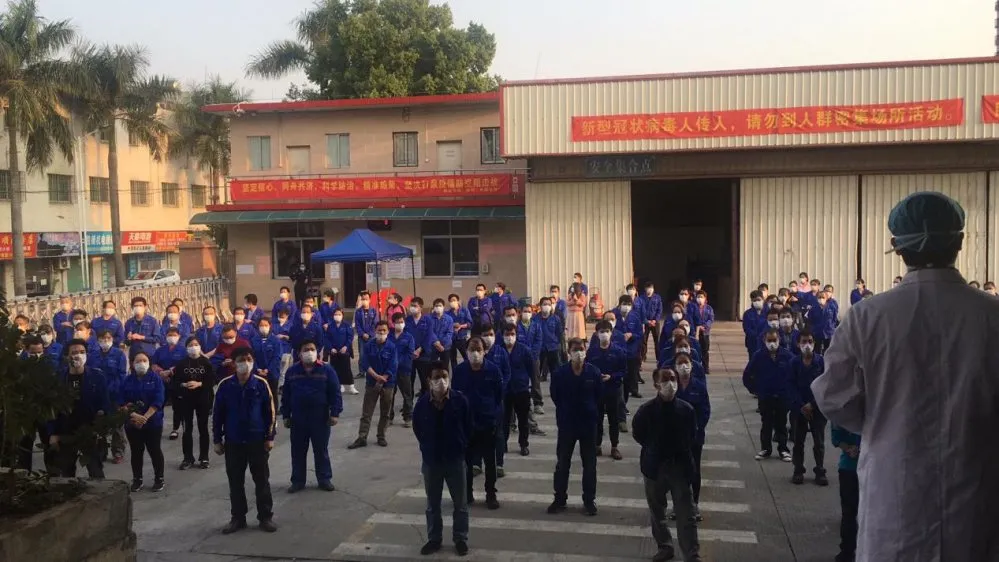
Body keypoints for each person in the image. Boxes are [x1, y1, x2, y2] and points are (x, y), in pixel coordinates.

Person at [811, 191, 999, 562]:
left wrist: (883, 420)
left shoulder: (868, 316)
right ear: (960, 242)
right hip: (977, 489)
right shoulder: (990, 316)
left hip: (895, 492)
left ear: (897, 248)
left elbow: (833, 396)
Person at [633, 368, 702, 562]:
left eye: (673, 379)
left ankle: (691, 553)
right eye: (665, 380)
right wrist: (653, 449)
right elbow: (638, 434)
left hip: (679, 466)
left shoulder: (686, 410)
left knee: (686, 513)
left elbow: (692, 435)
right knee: (657, 511)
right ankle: (665, 546)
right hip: (655, 467)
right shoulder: (646, 411)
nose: (670, 383)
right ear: (656, 385)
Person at [213, 347, 277, 534]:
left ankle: (265, 517)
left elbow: (270, 412)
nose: (245, 363)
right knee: (235, 482)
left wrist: (270, 437)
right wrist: (217, 439)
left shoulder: (261, 384)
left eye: (249, 359)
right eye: (241, 360)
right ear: (234, 363)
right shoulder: (225, 385)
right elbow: (217, 414)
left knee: (261, 480)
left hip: (257, 440)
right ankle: (238, 518)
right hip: (233, 441)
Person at [412, 364, 471, 557]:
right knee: (433, 504)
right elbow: (417, 428)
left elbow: (468, 426)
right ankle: (434, 539)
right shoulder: (422, 404)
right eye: (437, 377)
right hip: (432, 461)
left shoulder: (460, 401)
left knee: (460, 504)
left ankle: (460, 538)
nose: (441, 381)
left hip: (455, 460)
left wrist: (461, 446)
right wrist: (427, 447)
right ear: (429, 380)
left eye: (444, 376)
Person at [547, 338, 601, 516]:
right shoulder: (560, 373)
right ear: (569, 352)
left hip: (588, 424)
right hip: (567, 424)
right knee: (563, 463)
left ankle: (589, 500)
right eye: (575, 350)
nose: (578, 353)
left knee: (589, 464)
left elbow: (599, 396)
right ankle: (560, 498)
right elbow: (555, 395)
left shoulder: (593, 372)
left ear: (586, 351)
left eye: (581, 349)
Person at [281, 340, 341, 492]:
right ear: (300, 353)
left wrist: (335, 413)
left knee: (321, 449)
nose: (309, 352)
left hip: (320, 417)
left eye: (312, 349)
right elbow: (286, 395)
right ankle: (298, 481)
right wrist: (286, 415)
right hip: (298, 417)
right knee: (298, 451)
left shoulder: (326, 370)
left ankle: (324, 479)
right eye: (306, 349)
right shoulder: (292, 371)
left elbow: (335, 393)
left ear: (317, 351)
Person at [451, 336, 503, 509]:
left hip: (487, 423)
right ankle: (467, 493)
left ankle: (491, 494)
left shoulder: (493, 370)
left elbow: (499, 396)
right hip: (466, 424)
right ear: (466, 352)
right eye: (472, 350)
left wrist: (494, 417)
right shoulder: (460, 371)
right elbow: (455, 396)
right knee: (466, 462)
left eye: (478, 350)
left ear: (484, 351)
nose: (475, 354)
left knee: (489, 461)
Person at [49, 339, 112, 478]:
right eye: (74, 352)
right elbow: (52, 408)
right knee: (66, 473)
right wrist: (53, 433)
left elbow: (105, 404)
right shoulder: (58, 378)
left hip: (90, 432)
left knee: (96, 472)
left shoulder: (97, 377)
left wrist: (101, 427)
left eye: (82, 352)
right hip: (66, 432)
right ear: (67, 356)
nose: (78, 355)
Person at [784, 330, 827, 486]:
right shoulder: (794, 363)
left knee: (819, 442)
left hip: (818, 408)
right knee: (798, 441)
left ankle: (820, 470)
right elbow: (790, 385)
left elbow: (825, 386)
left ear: (814, 343)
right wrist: (801, 405)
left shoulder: (821, 362)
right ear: (798, 344)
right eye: (804, 341)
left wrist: (812, 404)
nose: (807, 345)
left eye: (810, 341)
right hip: (799, 409)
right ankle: (798, 470)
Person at [744, 329, 793, 462]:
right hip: (766, 397)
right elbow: (747, 375)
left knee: (781, 423)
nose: (772, 343)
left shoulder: (787, 356)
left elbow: (794, 375)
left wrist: (789, 392)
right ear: (764, 341)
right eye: (769, 340)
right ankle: (766, 448)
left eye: (774, 340)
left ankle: (783, 449)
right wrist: (755, 390)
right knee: (766, 423)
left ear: (779, 340)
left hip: (782, 397)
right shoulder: (758, 356)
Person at [120, 352, 166, 492]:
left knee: (154, 450)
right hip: (132, 422)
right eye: (138, 361)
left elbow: (158, 400)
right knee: (136, 451)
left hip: (152, 422)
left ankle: (159, 478)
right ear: (133, 364)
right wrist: (134, 416)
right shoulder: (127, 380)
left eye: (144, 360)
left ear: (149, 363)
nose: (141, 363)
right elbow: (121, 401)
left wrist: (144, 418)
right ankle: (137, 479)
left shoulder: (156, 379)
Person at [350, 321, 397, 449]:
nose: (381, 332)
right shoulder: (369, 345)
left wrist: (383, 378)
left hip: (387, 383)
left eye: (384, 330)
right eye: (379, 330)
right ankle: (362, 437)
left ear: (388, 332)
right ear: (375, 331)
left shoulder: (392, 347)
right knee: (367, 412)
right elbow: (365, 363)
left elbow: (393, 365)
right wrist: (376, 376)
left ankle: (381, 436)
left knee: (385, 412)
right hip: (372, 382)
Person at [675, 360, 710, 522]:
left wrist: (696, 428)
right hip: (676, 437)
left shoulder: (699, 387)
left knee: (694, 471)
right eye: (680, 364)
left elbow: (705, 411)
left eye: (686, 363)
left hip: (694, 437)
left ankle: (694, 504)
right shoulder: (672, 386)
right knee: (677, 472)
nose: (684, 367)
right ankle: (678, 505)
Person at [585, 320, 626, 460]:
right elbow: (587, 369)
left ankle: (614, 447)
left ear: (611, 333)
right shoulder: (592, 352)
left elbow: (623, 371)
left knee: (614, 420)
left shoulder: (618, 352)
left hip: (612, 389)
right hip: (597, 390)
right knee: (597, 418)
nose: (604, 334)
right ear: (597, 334)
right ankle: (597, 445)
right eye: (601, 332)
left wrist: (612, 376)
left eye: (607, 332)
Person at [173, 337, 215, 470]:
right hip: (186, 400)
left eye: (196, 344)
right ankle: (188, 458)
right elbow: (175, 382)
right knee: (187, 430)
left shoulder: (206, 363)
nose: (194, 347)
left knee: (203, 429)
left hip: (203, 399)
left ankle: (204, 457)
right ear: (186, 348)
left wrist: (200, 383)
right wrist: (184, 384)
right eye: (191, 345)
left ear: (200, 346)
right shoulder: (181, 364)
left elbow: (212, 380)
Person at [94, 329, 128, 464]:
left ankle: (118, 451)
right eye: (102, 339)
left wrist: (111, 389)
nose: (105, 341)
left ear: (112, 340)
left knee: (117, 424)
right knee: (100, 424)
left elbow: (122, 375)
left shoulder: (119, 354)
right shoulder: (93, 355)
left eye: (108, 338)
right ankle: (101, 451)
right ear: (98, 341)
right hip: (98, 395)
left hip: (115, 394)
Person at [501, 324, 533, 457]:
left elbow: (531, 369)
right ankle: (502, 443)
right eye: (507, 334)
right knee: (504, 419)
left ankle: (524, 444)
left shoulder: (524, 350)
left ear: (516, 335)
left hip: (521, 390)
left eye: (512, 334)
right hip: (505, 391)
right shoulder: (499, 350)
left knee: (523, 420)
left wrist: (530, 386)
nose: (509, 337)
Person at [831, 424, 861, 562]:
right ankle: (848, 551)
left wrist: (848, 448)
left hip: (852, 467)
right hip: (852, 468)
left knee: (849, 512)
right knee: (851, 513)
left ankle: (847, 552)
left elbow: (836, 437)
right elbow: (836, 438)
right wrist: (849, 448)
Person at [387, 312, 416, 427]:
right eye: (397, 322)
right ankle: (389, 417)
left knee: (407, 394)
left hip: (404, 370)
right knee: (389, 395)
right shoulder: (388, 336)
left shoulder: (409, 337)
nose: (400, 324)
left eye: (402, 322)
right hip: (390, 371)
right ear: (393, 323)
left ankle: (408, 417)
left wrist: (397, 362)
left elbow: (410, 353)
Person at [614, 295, 643, 400]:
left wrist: (632, 335)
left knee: (632, 372)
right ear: (619, 304)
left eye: (629, 304)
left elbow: (640, 333)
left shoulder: (635, 317)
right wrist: (620, 336)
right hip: (617, 350)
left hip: (631, 350)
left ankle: (633, 390)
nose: (626, 306)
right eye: (624, 304)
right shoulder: (613, 315)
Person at [517, 305, 544, 416]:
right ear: (520, 312)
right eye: (525, 311)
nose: (527, 313)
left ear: (532, 313)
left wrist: (532, 355)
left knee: (535, 380)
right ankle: (523, 404)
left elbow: (538, 341)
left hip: (534, 358)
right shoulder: (516, 326)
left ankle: (538, 403)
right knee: (521, 380)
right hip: (520, 358)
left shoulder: (536, 326)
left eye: (529, 311)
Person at [325, 307, 356, 395]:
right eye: (336, 314)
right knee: (335, 369)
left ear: (342, 315)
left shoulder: (346, 325)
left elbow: (350, 337)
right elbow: (327, 338)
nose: (337, 316)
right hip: (334, 352)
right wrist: (331, 348)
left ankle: (351, 386)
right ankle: (340, 385)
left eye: (339, 314)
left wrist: (346, 346)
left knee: (346, 369)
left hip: (344, 351)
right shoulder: (330, 326)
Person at [251, 318, 282, 402]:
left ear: (270, 326)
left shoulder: (276, 340)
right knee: (258, 396)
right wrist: (257, 369)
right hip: (257, 373)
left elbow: (277, 357)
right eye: (261, 325)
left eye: (266, 325)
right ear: (258, 327)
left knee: (272, 395)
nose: (263, 327)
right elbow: (251, 357)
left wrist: (268, 370)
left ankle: (273, 410)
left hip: (272, 373)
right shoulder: (253, 340)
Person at [534, 296, 563, 382]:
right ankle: (536, 389)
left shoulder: (556, 319)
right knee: (536, 372)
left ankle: (555, 388)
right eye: (545, 304)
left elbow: (559, 333)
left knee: (555, 372)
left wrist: (556, 343)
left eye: (549, 304)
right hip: (539, 348)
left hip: (552, 348)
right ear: (540, 306)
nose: (547, 306)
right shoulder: (535, 319)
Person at [354, 291, 378, 378]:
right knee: (362, 355)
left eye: (366, 299)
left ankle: (372, 372)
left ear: (369, 300)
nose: (364, 301)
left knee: (372, 354)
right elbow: (357, 324)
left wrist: (369, 334)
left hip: (372, 336)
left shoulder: (373, 310)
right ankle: (361, 372)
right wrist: (362, 334)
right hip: (361, 337)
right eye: (363, 299)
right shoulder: (358, 312)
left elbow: (375, 323)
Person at [446, 294, 472, 371]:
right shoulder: (447, 313)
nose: (452, 302)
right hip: (451, 339)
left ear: (458, 301)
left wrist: (461, 326)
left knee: (466, 357)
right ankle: (455, 374)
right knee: (453, 359)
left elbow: (470, 323)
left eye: (454, 300)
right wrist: (453, 325)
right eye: (451, 301)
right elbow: (446, 325)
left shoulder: (464, 310)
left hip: (462, 338)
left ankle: (468, 371)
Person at [742, 290, 767, 360]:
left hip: (765, 341)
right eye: (754, 300)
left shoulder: (768, 312)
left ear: (763, 299)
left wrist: (763, 335)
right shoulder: (747, 314)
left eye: (759, 300)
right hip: (752, 343)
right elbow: (746, 328)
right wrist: (756, 336)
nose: (757, 302)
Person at [693, 290, 714, 372]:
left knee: (705, 350)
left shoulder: (709, 308)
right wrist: (697, 326)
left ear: (705, 298)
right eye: (698, 297)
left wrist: (705, 326)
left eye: (701, 297)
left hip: (705, 332)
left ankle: (706, 367)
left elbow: (711, 319)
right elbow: (691, 318)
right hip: (696, 332)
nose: (700, 299)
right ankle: (697, 367)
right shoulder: (693, 308)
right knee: (696, 350)